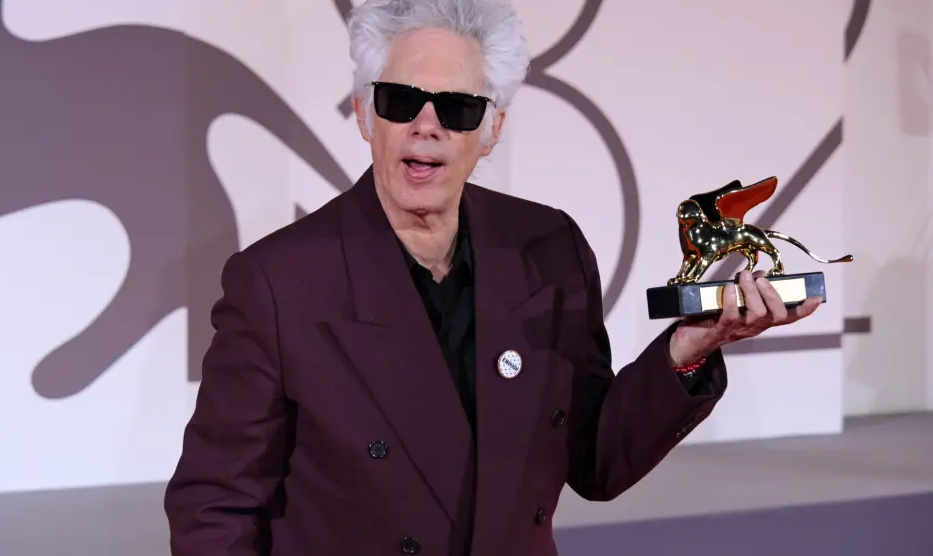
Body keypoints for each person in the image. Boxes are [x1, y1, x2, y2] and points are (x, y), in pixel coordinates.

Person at [162, 0, 822, 554]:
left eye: (458, 108)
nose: (428, 126)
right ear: (365, 115)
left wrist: (686, 350)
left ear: (493, 129)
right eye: (401, 101)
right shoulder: (279, 282)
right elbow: (214, 508)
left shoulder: (550, 248)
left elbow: (593, 461)